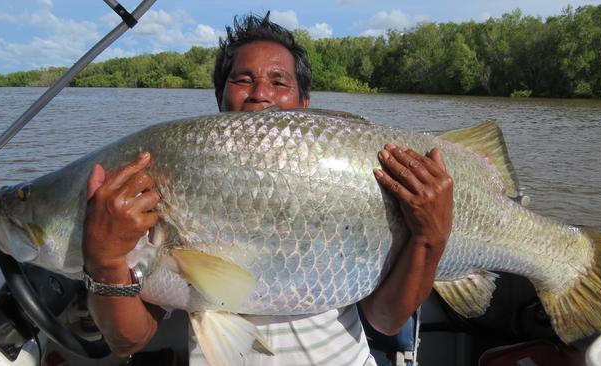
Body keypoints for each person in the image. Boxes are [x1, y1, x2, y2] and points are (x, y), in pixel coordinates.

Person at [82, 13, 453, 365]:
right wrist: (107, 261)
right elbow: (128, 340)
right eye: (243, 79)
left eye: (279, 82)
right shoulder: (173, 173)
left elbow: (386, 320)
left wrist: (430, 238)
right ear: (220, 97)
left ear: (304, 103)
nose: (260, 93)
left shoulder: (349, 172)